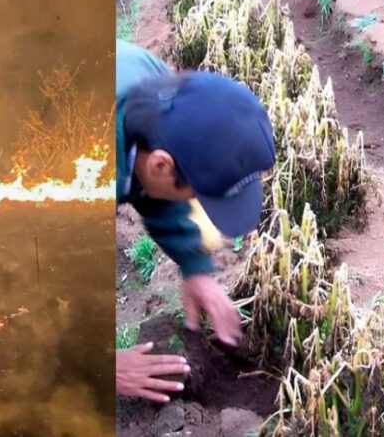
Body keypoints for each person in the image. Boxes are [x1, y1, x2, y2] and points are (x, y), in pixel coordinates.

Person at [115, 40, 276, 402]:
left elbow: (152, 185)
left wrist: (194, 266)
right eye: (197, 194)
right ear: (161, 165)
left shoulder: (161, 95)